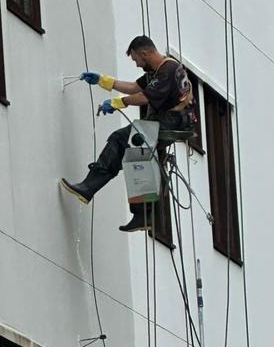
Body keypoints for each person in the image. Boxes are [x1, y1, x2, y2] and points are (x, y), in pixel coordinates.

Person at [60, 35, 195, 232]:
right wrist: (102, 81)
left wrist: (117, 103)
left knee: (119, 139)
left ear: (145, 53)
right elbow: (134, 87)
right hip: (170, 119)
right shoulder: (156, 70)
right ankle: (142, 215)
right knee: (135, 156)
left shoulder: (168, 70)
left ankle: (90, 186)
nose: (137, 64)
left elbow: (142, 97)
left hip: (174, 120)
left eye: (136, 59)